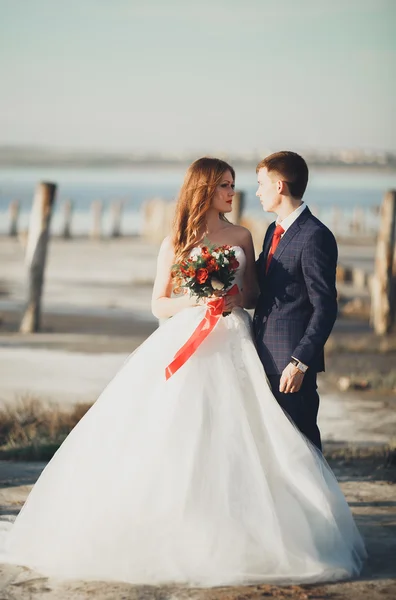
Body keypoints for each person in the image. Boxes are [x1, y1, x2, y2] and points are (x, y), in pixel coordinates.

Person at [0, 157, 365, 587]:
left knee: (245, 433)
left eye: (235, 184)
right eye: (225, 185)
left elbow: (253, 294)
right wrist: (197, 301)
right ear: (205, 188)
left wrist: (229, 298)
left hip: (234, 339)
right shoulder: (175, 240)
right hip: (188, 340)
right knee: (178, 430)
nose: (234, 192)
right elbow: (159, 304)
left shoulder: (245, 236)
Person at [254, 151, 337, 450]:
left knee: (301, 446)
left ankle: (320, 499)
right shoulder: (271, 231)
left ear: (279, 186)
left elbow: (325, 307)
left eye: (261, 183)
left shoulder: (315, 236)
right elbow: (263, 283)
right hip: (262, 355)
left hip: (290, 364)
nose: (257, 191)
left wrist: (300, 363)